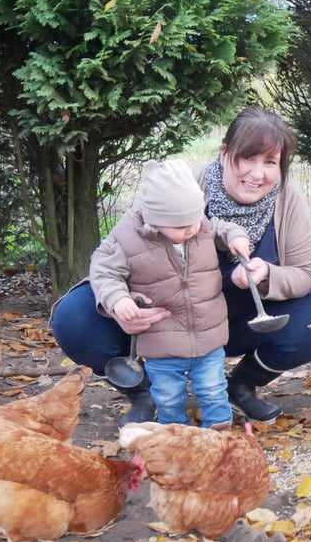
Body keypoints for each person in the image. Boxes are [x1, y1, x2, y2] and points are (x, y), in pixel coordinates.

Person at [51, 108, 311, 427]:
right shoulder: (178, 189)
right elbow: (112, 254)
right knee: (73, 317)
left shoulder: (288, 197)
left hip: (233, 324)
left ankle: (240, 385)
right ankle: (145, 393)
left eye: (270, 162)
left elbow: (304, 274)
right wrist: (120, 304)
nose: (258, 174)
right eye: (248, 158)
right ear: (225, 152)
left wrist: (267, 276)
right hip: (164, 322)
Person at [90, 159, 250, 429]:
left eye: (195, 220)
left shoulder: (200, 225)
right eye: (180, 226)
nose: (191, 229)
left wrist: (236, 236)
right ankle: (174, 435)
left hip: (208, 336)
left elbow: (221, 227)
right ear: (155, 221)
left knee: (213, 390)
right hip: (160, 342)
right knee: (167, 396)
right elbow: (104, 270)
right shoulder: (128, 238)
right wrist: (118, 299)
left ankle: (220, 432)